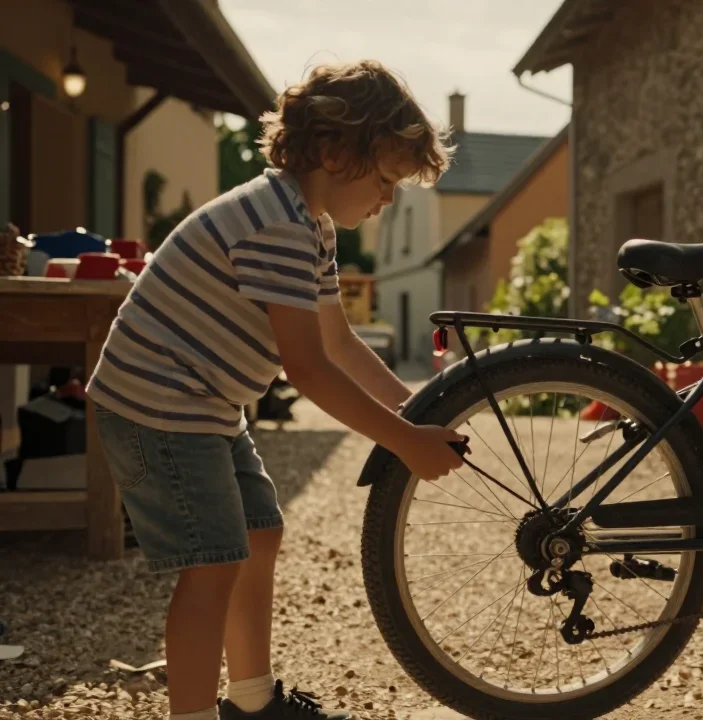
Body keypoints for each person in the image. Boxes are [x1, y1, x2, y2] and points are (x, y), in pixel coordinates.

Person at [85, 60, 466, 720]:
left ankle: (254, 704)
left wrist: (418, 409)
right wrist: (405, 442)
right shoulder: (278, 226)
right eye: (383, 179)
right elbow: (309, 369)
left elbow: (340, 343)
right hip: (161, 405)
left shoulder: (307, 223)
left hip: (202, 403)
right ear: (332, 150)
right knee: (211, 565)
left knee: (260, 534)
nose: (387, 200)